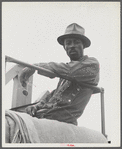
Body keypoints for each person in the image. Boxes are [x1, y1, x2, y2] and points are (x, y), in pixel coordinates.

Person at [19, 23, 99, 126]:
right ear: (64, 47)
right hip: (46, 116)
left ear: (83, 45)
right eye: (68, 43)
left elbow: (70, 70)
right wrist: (37, 106)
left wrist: (35, 67)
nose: (72, 46)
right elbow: (56, 95)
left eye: (76, 42)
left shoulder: (91, 64)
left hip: (62, 121)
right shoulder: (65, 75)